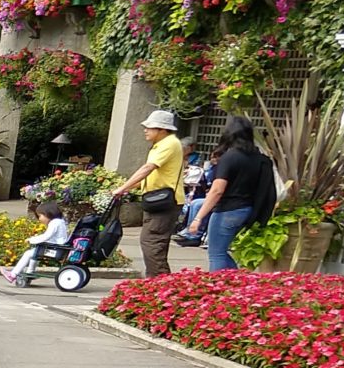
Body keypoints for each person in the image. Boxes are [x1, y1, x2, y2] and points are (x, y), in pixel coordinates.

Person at [195, 116, 274, 272]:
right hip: (247, 210)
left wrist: (198, 217)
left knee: (216, 253)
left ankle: (219, 288)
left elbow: (217, 190)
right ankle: (239, 282)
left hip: (227, 210)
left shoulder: (229, 157)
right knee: (222, 252)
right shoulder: (261, 159)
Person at [112, 109, 185, 277]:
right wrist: (126, 188)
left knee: (153, 242)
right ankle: (157, 281)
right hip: (157, 201)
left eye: (150, 127)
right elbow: (150, 174)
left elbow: (148, 168)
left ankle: (160, 283)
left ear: (163, 129)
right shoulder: (161, 145)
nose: (146, 130)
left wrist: (122, 188)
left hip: (165, 203)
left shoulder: (169, 144)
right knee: (152, 242)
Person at [1, 202, 71, 285]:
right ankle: (30, 271)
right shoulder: (60, 222)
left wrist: (32, 240)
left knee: (28, 253)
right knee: (34, 252)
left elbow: (46, 236)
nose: (39, 219)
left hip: (55, 250)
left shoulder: (54, 223)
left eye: (40, 216)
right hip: (58, 248)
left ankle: (13, 274)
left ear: (48, 214)